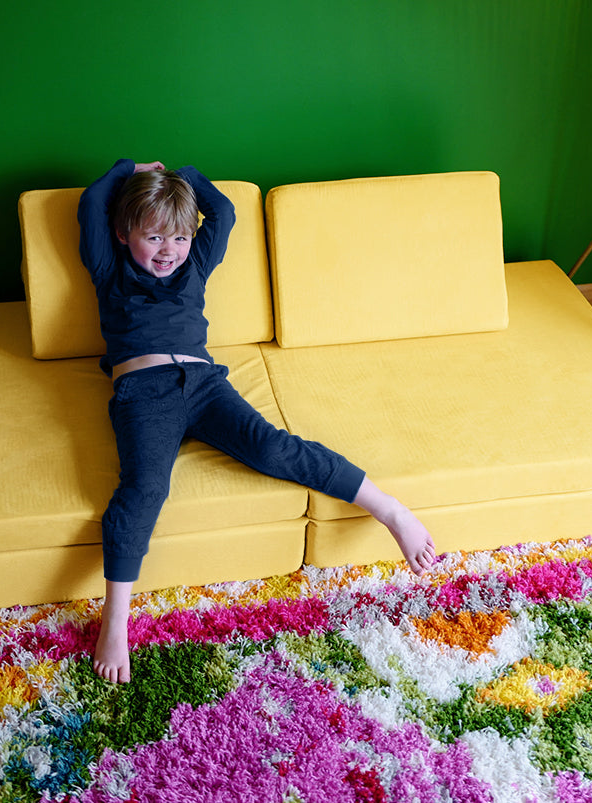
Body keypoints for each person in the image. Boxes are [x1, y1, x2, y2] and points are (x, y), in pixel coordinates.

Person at [77, 158, 436, 684]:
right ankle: (116, 617)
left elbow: (220, 211)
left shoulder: (193, 265)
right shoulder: (110, 269)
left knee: (273, 449)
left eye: (177, 238)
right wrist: (130, 169)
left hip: (205, 386)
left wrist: (183, 176)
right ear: (124, 233)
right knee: (144, 489)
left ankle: (390, 510)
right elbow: (91, 205)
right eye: (153, 237)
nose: (167, 250)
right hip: (143, 394)